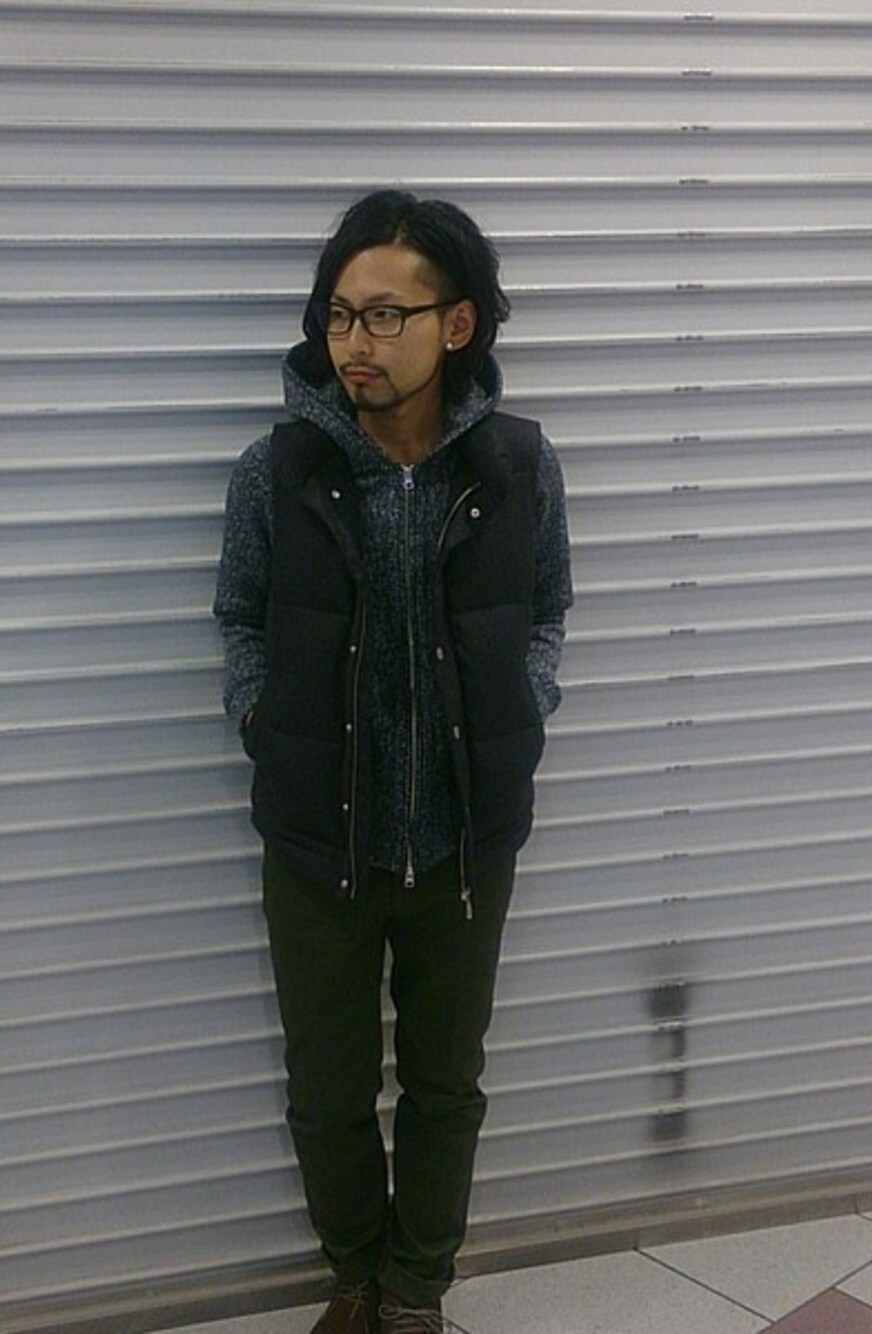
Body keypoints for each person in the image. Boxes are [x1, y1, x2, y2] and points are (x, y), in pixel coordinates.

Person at [214, 189, 573, 1334]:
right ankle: (352, 1275)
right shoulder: (276, 470)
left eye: (382, 315)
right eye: (337, 314)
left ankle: (415, 1289)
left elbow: (547, 611)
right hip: (317, 838)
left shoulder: (519, 465)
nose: (352, 341)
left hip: (464, 839)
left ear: (455, 324)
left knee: (443, 1082)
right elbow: (240, 618)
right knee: (325, 1091)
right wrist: (262, 715)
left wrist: (528, 704)